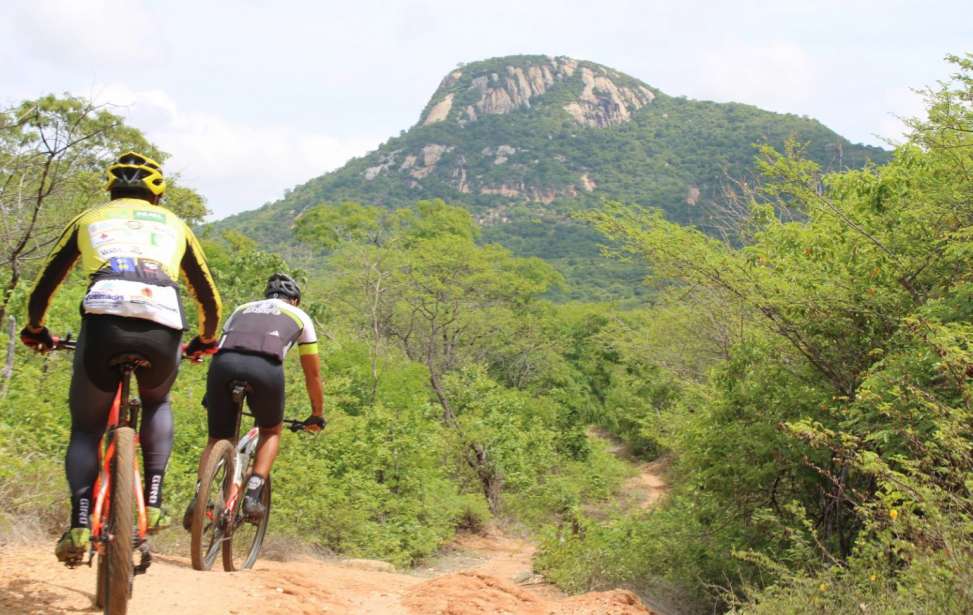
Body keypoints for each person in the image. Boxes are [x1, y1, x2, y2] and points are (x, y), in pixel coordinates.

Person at [20, 151, 222, 564]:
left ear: (111, 189)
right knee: (157, 401)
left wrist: (35, 327)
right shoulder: (175, 225)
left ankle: (79, 524)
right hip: (163, 320)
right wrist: (206, 338)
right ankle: (153, 500)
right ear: (157, 193)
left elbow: (46, 281)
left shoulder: (90, 219)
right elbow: (207, 292)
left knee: (86, 428)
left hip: (103, 318)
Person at [186, 273, 324, 525]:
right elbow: (312, 374)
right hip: (265, 369)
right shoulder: (300, 316)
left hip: (222, 367)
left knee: (217, 437)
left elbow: (223, 344)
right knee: (270, 431)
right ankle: (252, 495)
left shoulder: (242, 309)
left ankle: (199, 497)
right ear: (294, 300)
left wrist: (212, 392)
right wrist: (317, 413)